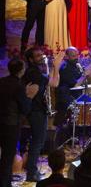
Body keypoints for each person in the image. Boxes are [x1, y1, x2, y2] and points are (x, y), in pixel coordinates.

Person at [22, 48, 62, 181]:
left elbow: (51, 80)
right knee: (37, 142)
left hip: (38, 110)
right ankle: (31, 173)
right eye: (37, 56)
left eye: (41, 54)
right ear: (31, 59)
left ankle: (32, 170)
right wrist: (56, 66)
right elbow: (55, 82)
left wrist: (53, 67)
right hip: (36, 111)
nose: (42, 57)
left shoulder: (36, 71)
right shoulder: (33, 73)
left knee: (38, 141)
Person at [0, 59, 39, 187]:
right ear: (21, 70)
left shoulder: (2, 81)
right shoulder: (19, 86)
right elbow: (25, 108)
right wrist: (29, 96)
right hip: (11, 125)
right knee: (7, 157)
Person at [54, 47, 91, 137]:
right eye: (73, 56)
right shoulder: (65, 68)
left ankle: (84, 134)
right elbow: (75, 85)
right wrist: (85, 74)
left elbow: (82, 81)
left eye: (77, 55)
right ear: (67, 56)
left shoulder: (76, 65)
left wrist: (88, 73)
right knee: (66, 126)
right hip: (66, 99)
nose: (77, 57)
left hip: (75, 96)